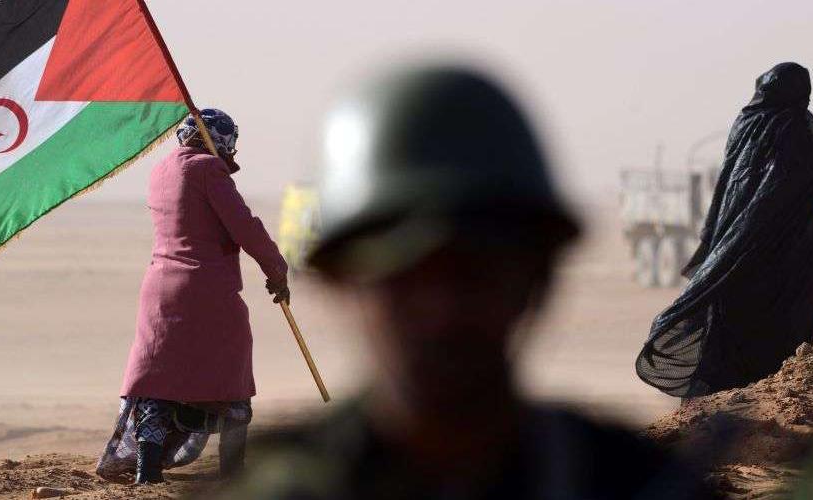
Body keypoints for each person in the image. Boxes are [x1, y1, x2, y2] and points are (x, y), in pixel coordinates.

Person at [215, 66, 711, 499]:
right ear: (341, 284)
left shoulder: (639, 484)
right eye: (405, 279)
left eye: (474, 274)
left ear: (536, 281)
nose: (442, 311)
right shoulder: (281, 487)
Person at [95, 109, 290, 484]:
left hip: (159, 290)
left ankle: (147, 471)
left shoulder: (160, 170)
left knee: (157, 381)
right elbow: (245, 227)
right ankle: (233, 473)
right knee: (231, 379)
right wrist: (276, 272)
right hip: (207, 290)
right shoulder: (207, 170)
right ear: (225, 142)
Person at [636, 62, 813, 398]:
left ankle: (733, 394)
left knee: (735, 320)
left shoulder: (745, 122)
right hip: (787, 253)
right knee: (780, 325)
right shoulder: (796, 124)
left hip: (740, 245)